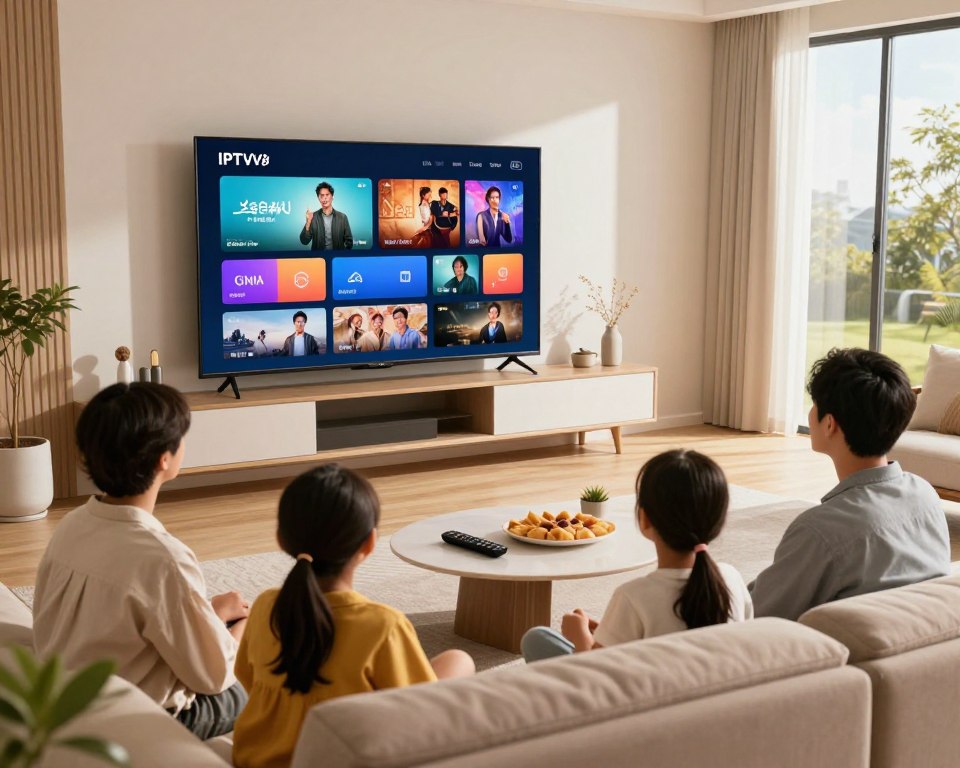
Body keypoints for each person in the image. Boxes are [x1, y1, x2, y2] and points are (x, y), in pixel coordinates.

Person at [32, 383, 248, 740]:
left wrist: (212, 613)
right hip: (133, 722)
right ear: (164, 458)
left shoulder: (70, 525)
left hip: (65, 702)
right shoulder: (164, 559)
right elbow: (213, 677)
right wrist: (239, 630)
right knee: (242, 687)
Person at [232, 465, 474, 768]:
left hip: (255, 758)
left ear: (281, 540)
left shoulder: (266, 606)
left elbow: (248, 680)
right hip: (342, 756)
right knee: (459, 661)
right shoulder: (383, 626)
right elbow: (415, 716)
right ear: (369, 543)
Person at [750, 348, 951, 620]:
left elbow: (756, 614)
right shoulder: (925, 495)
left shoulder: (819, 530)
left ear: (829, 424)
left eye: (814, 404)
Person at [521, 449, 752, 662]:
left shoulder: (633, 597)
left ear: (645, 519)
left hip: (645, 692)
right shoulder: (730, 578)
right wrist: (609, 632)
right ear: (719, 522)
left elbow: (598, 672)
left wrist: (579, 634)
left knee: (537, 639)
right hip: (711, 689)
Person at [300, 181, 353, 250]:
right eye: (321, 195)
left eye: (327, 195)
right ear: (318, 198)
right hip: (318, 256)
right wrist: (308, 222)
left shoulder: (342, 217)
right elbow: (304, 241)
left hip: (336, 256)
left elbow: (349, 242)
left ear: (332, 197)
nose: (324, 198)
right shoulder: (313, 217)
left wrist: (340, 253)